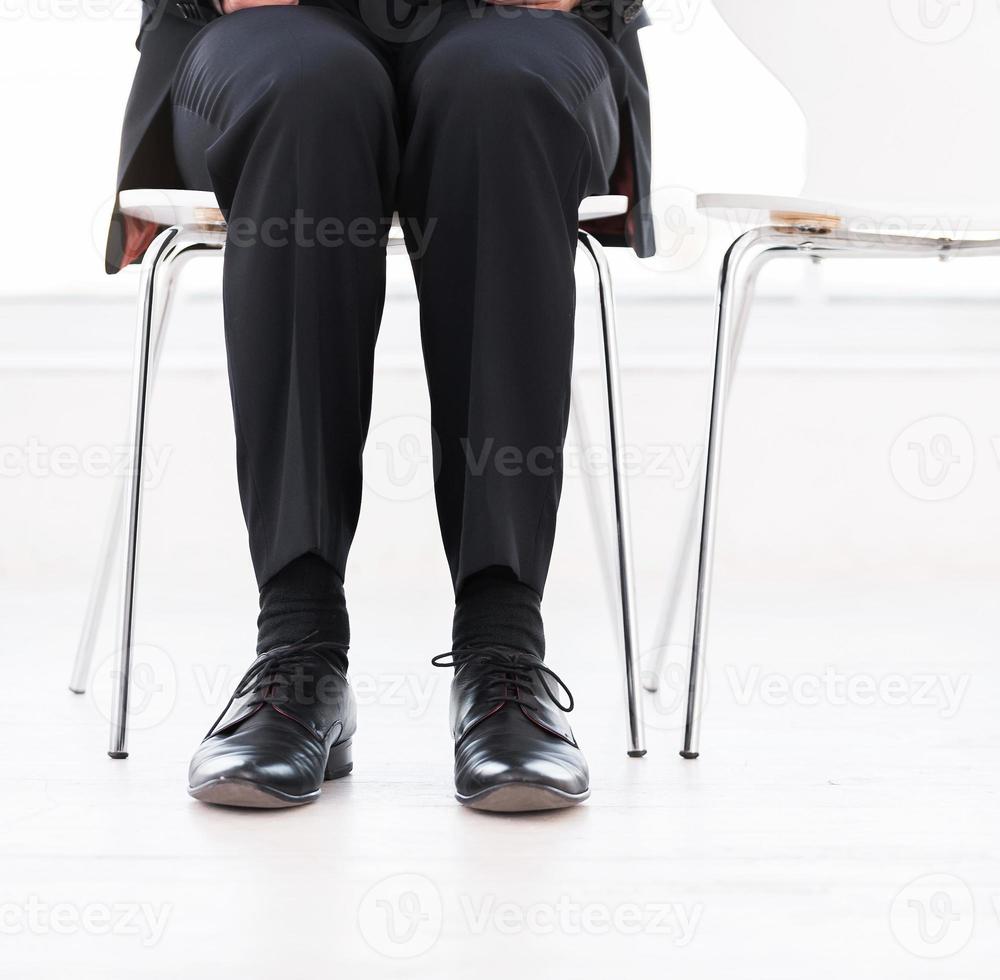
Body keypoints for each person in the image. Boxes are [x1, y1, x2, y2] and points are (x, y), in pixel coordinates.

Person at [105, 0, 654, 811]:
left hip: (517, 30)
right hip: (268, 33)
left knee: (500, 91)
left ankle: (503, 658)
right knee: (305, 89)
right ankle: (298, 649)